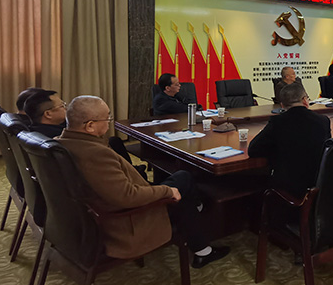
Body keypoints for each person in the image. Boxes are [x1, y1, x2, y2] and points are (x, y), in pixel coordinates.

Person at [57, 96, 229, 267]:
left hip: (103, 210)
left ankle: (197, 213)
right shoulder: (95, 154)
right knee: (183, 183)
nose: (109, 121)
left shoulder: (62, 144)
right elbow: (128, 197)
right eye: (107, 118)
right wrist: (167, 191)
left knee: (182, 181)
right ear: (90, 126)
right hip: (129, 219)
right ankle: (203, 248)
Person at [248, 83, 331, 198]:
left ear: (282, 105)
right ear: (305, 101)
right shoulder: (323, 121)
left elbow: (253, 150)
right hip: (318, 185)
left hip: (289, 189)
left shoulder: (278, 122)